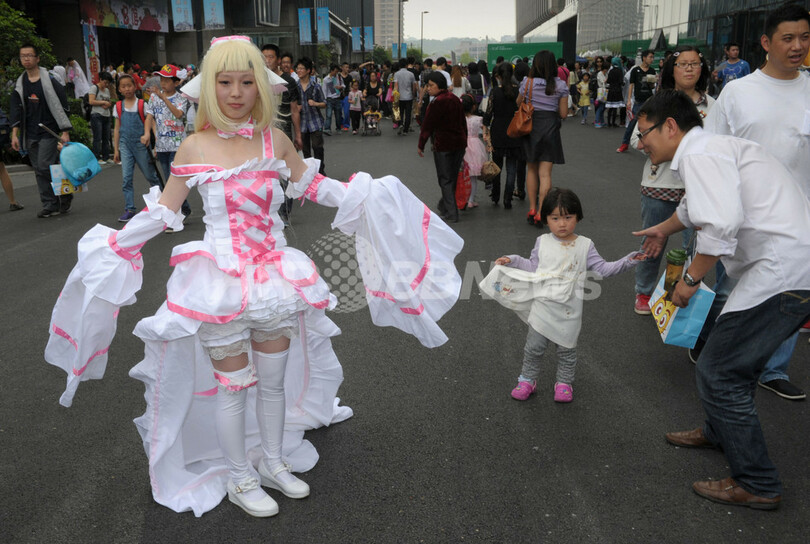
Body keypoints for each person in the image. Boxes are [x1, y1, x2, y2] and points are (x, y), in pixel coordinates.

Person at [44, 35, 463, 519]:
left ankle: (273, 461)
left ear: (262, 88)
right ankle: (240, 476)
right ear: (209, 87)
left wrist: (369, 196)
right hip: (218, 283)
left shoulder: (275, 140)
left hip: (273, 282)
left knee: (273, 383)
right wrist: (116, 247)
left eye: (247, 82)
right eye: (225, 82)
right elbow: (165, 212)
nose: (236, 92)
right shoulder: (193, 146)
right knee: (233, 387)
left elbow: (314, 186)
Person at [633, 89, 810, 510]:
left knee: (719, 371)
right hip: (779, 268)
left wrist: (691, 280)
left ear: (670, 126)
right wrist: (665, 229)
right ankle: (719, 431)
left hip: (780, 272)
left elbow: (722, 221)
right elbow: (697, 208)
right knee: (729, 360)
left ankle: (758, 481)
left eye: (645, 134)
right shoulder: (707, 148)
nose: (642, 144)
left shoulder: (700, 154)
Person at [696, 3, 810, 400]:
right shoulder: (738, 93)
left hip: (798, 224)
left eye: (805, 37)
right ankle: (722, 359)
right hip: (742, 219)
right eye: (788, 38)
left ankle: (773, 369)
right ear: (766, 42)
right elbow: (711, 152)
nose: (798, 46)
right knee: (733, 296)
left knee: (784, 304)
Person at [483, 188, 642, 403]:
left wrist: (628, 261)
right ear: (546, 219)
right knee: (534, 347)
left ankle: (564, 383)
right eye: (555, 218)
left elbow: (603, 269)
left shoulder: (585, 245)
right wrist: (512, 259)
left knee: (566, 349)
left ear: (578, 217)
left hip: (569, 310)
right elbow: (532, 266)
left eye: (568, 217)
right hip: (543, 305)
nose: (562, 224)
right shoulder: (542, 242)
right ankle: (527, 379)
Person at [631, 46, 714, 315]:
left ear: (702, 69)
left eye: (694, 64)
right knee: (653, 241)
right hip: (660, 185)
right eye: (682, 64)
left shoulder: (714, 105)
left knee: (695, 248)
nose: (689, 69)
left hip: (698, 187)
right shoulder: (659, 103)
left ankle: (683, 294)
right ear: (672, 70)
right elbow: (637, 139)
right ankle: (644, 292)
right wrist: (672, 150)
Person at [10, 43, 73, 218]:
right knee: (39, 169)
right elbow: (16, 109)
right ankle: (50, 204)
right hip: (30, 132)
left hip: (49, 130)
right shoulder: (20, 83)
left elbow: (62, 104)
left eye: (30, 55)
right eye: (23, 56)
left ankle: (64, 193)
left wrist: (65, 130)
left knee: (45, 165)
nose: (26, 59)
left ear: (37, 58)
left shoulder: (50, 80)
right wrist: (14, 134)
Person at [518, 50, 569, 226]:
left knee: (531, 169)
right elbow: (563, 114)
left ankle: (532, 208)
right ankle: (541, 212)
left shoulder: (527, 83)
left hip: (531, 127)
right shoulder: (561, 86)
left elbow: (519, 103)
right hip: (551, 129)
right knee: (545, 174)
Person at [417, 71, 467, 223]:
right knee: (451, 177)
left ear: (439, 85)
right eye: (428, 85)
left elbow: (427, 126)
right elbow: (463, 122)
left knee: (445, 179)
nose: (428, 88)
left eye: (431, 85)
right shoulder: (455, 99)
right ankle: (444, 206)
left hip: (443, 145)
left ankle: (452, 213)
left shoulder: (436, 103)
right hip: (459, 144)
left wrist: (421, 145)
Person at [112, 73, 162, 222]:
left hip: (141, 145)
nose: (127, 89)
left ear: (135, 87)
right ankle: (129, 208)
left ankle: (162, 202)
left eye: (129, 85)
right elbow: (116, 129)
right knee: (126, 178)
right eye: (123, 86)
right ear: (119, 89)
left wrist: (156, 141)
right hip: (125, 145)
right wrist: (116, 150)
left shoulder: (142, 104)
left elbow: (151, 122)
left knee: (150, 176)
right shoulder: (118, 106)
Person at [145, 63, 191, 219]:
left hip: (178, 145)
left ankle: (175, 212)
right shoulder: (153, 97)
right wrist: (147, 134)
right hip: (162, 145)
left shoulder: (181, 98)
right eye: (161, 80)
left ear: (176, 83)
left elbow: (178, 114)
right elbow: (149, 116)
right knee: (167, 178)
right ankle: (183, 207)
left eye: (166, 80)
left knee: (174, 178)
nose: (163, 83)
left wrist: (163, 97)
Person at [482, 62, 525, 208]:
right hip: (515, 131)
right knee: (512, 167)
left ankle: (495, 195)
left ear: (498, 76)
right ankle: (508, 198)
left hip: (498, 131)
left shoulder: (495, 91)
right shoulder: (519, 90)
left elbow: (488, 113)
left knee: (497, 166)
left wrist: (486, 131)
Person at [617, 49, 656, 152]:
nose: (652, 59)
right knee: (633, 122)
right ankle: (625, 143)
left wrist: (651, 82)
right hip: (638, 101)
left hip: (649, 100)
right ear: (644, 58)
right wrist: (629, 100)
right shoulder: (635, 70)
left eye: (653, 57)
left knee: (651, 123)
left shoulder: (652, 71)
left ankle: (649, 145)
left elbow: (652, 87)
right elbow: (631, 85)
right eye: (650, 57)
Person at [295, 57, 326, 174]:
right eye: (297, 68)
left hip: (315, 122)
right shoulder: (295, 87)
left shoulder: (315, 86)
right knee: (306, 151)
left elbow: (324, 103)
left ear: (308, 70)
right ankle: (310, 174)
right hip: (301, 123)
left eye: (302, 68)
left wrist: (315, 103)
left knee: (318, 148)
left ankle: (321, 171)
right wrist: (296, 108)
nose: (299, 71)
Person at [461, 94, 486, 209]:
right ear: (473, 107)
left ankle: (463, 198)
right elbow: (485, 129)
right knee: (473, 177)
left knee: (463, 175)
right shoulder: (478, 119)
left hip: (463, 145)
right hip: (475, 146)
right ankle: (471, 200)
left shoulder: (460, 119)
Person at [88, 72, 116, 165]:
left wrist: (107, 103)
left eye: (108, 83)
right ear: (100, 80)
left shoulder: (107, 90)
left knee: (106, 137)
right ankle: (96, 156)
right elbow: (91, 101)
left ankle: (106, 156)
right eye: (105, 82)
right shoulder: (94, 88)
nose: (106, 84)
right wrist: (103, 102)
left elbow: (110, 100)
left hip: (106, 115)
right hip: (97, 115)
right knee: (97, 137)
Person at [393, 58, 417, 135]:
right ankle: (406, 130)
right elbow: (414, 86)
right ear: (407, 65)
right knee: (408, 113)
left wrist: (394, 95)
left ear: (399, 65)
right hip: (409, 96)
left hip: (399, 97)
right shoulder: (411, 74)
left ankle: (400, 124)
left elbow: (396, 86)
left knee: (400, 112)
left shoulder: (396, 74)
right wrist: (413, 94)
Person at [321, 64, 344, 135]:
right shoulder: (326, 79)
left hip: (337, 98)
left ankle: (338, 128)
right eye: (335, 71)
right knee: (328, 114)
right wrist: (324, 101)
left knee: (338, 115)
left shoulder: (339, 77)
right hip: (329, 99)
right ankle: (327, 129)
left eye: (337, 72)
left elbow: (343, 85)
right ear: (331, 71)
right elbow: (324, 90)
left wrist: (340, 87)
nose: (336, 73)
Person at [605, 58, 625, 127]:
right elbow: (621, 81)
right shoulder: (620, 71)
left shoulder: (611, 71)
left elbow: (608, 81)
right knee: (615, 107)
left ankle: (609, 123)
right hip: (617, 90)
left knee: (610, 107)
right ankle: (613, 123)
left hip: (611, 89)